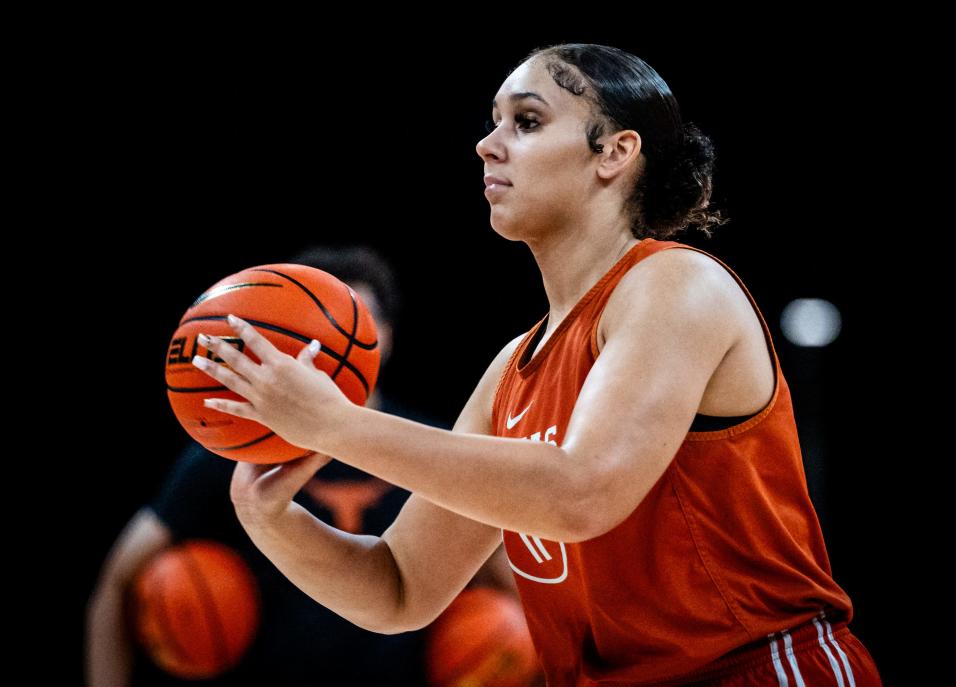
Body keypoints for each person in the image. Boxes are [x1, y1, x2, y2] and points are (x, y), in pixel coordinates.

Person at [185, 44, 883, 686]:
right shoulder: (511, 369)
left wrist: (335, 425)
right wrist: (267, 515)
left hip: (756, 670)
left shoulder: (675, 285)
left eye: (524, 120)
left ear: (613, 152)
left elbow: (580, 493)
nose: (487, 144)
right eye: (492, 123)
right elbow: (398, 587)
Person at [85, 245, 518, 686]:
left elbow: (523, 591)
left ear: (383, 336)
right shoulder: (232, 452)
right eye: (307, 325)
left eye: (349, 321)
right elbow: (118, 582)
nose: (321, 339)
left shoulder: (430, 447)